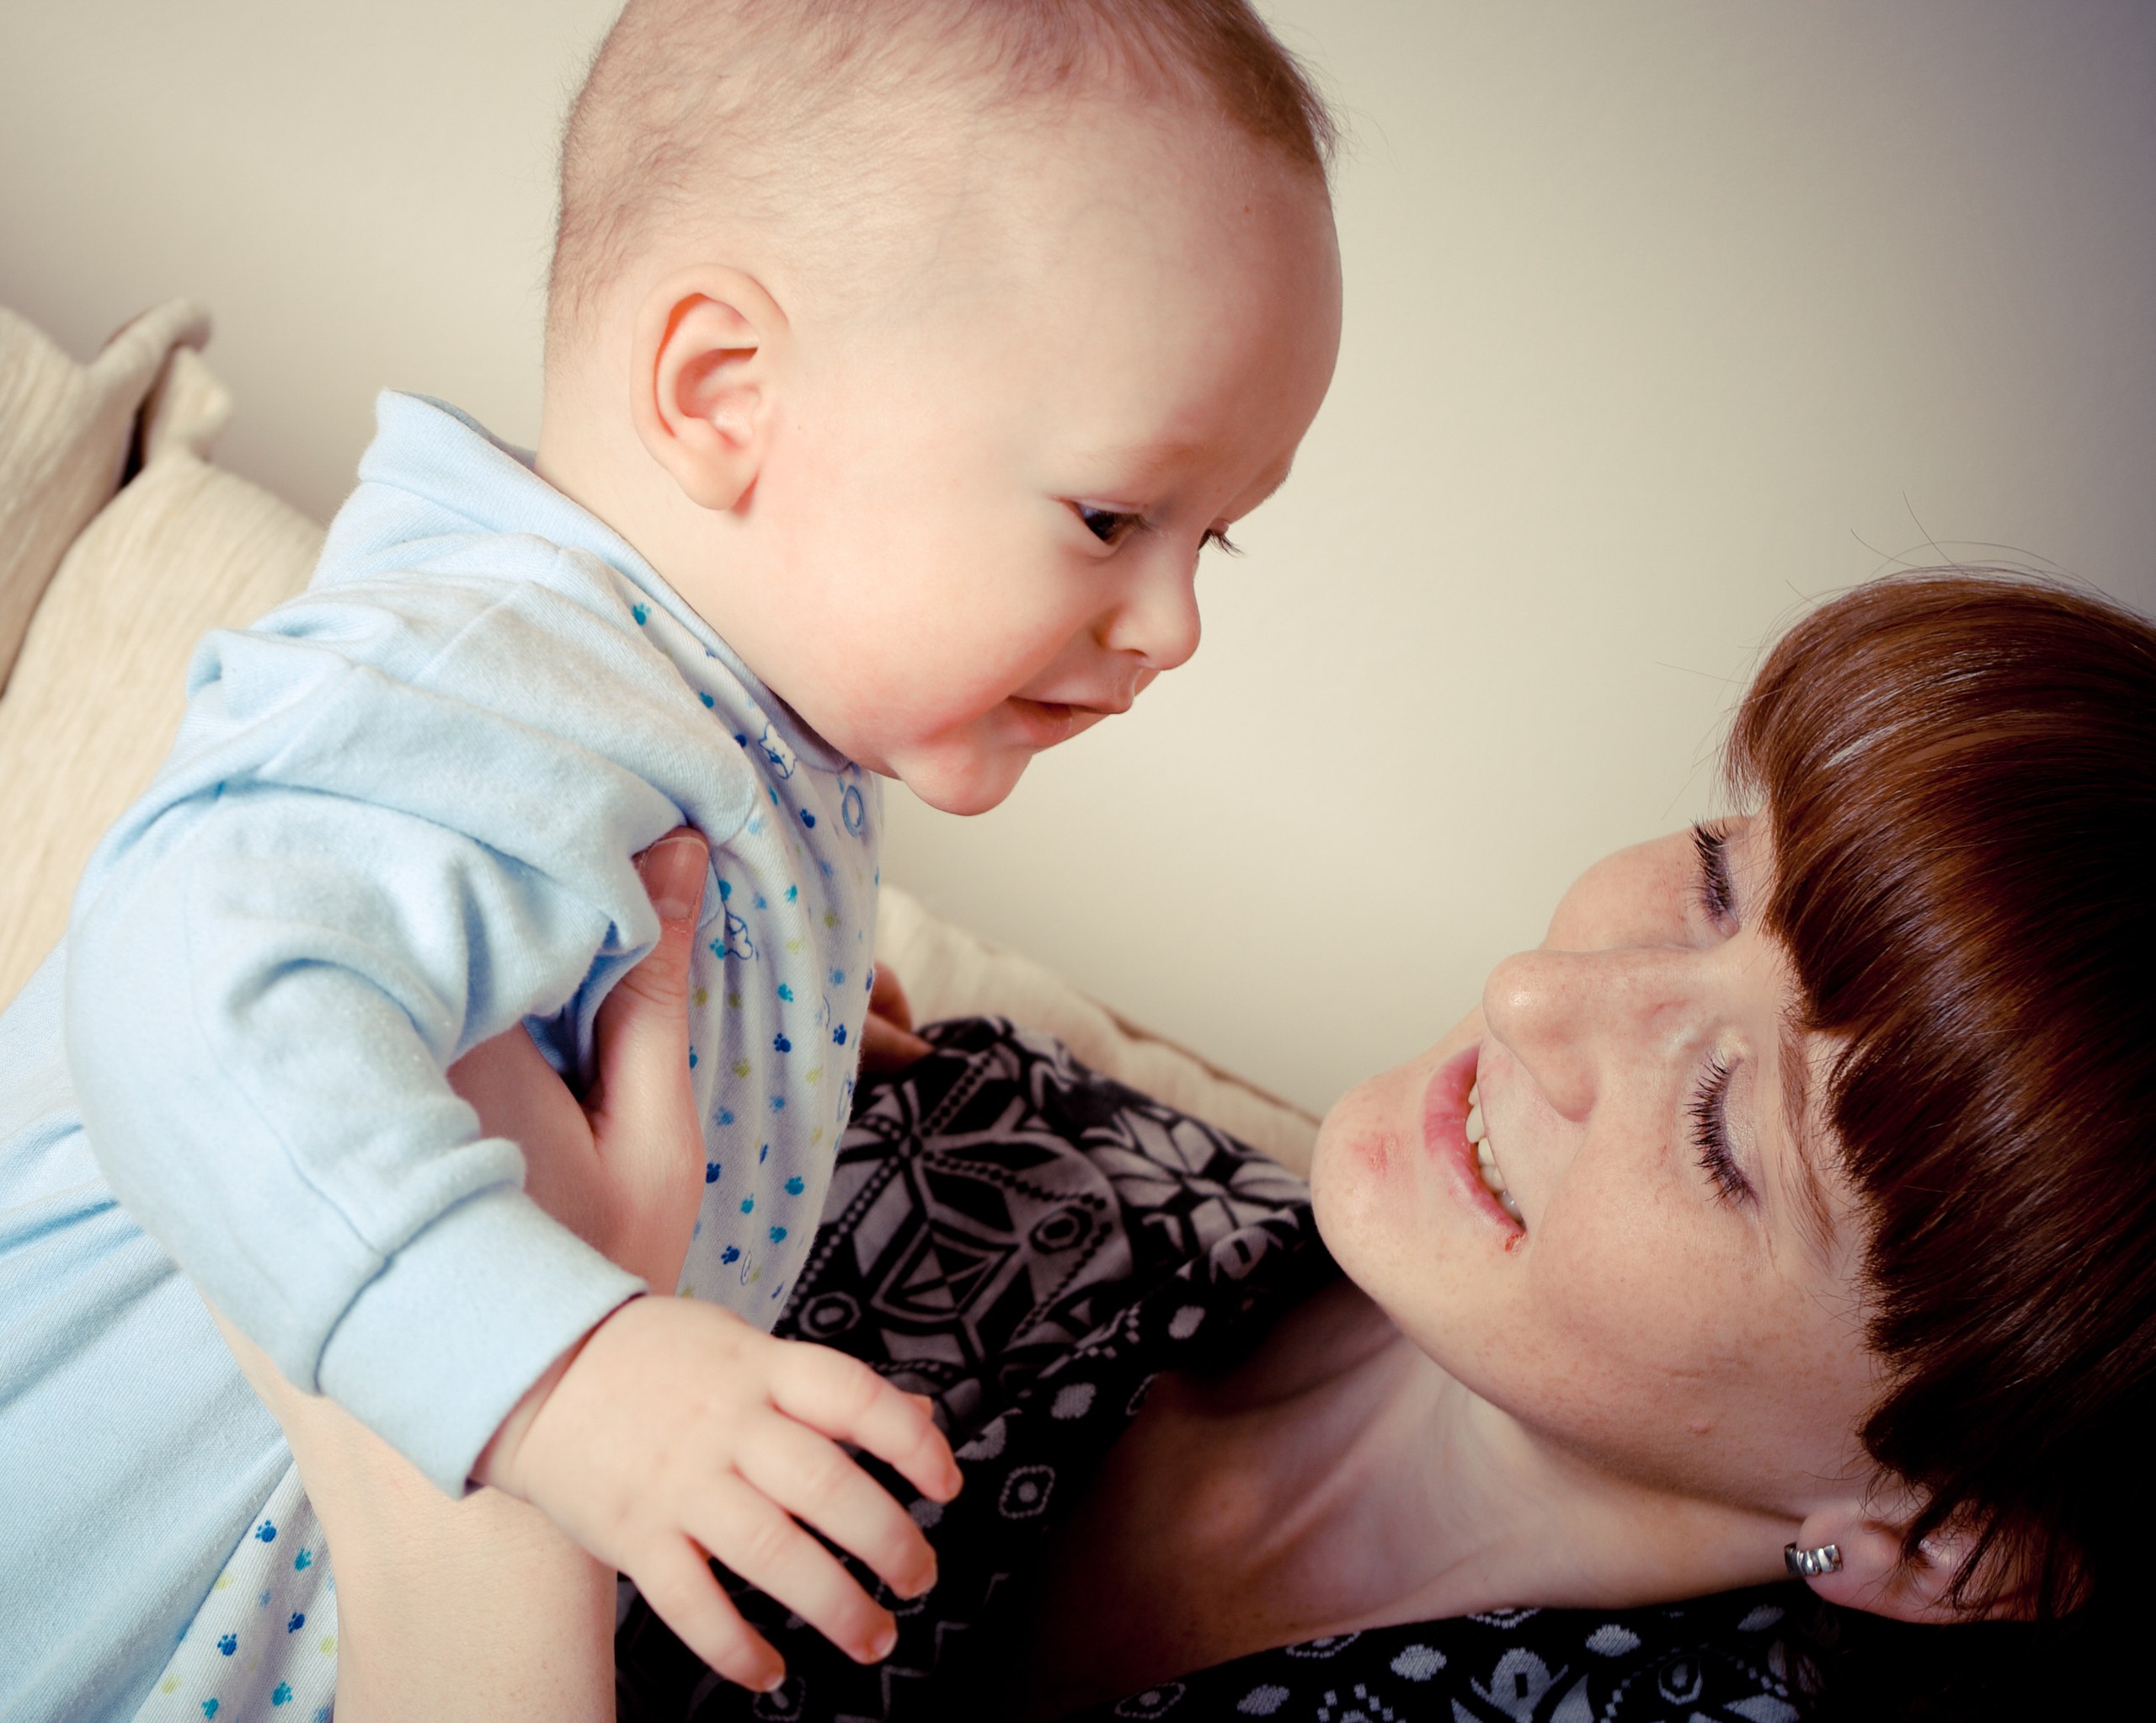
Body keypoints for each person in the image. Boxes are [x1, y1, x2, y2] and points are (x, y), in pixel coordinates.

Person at [0, 3, 1343, 1718]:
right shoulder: (491, 680)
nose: (1172, 625)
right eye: (1110, 515)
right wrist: (558, 1372)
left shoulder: (729, 721)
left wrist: (779, 1011)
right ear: (723, 393)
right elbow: (189, 985)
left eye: (1211, 539)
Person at [229, 569, 2156, 1720]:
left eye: (1728, 1132)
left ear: (1940, 1542)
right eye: (1718, 878)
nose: (1535, 999)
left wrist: (476, 1511)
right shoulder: (1027, 1150)